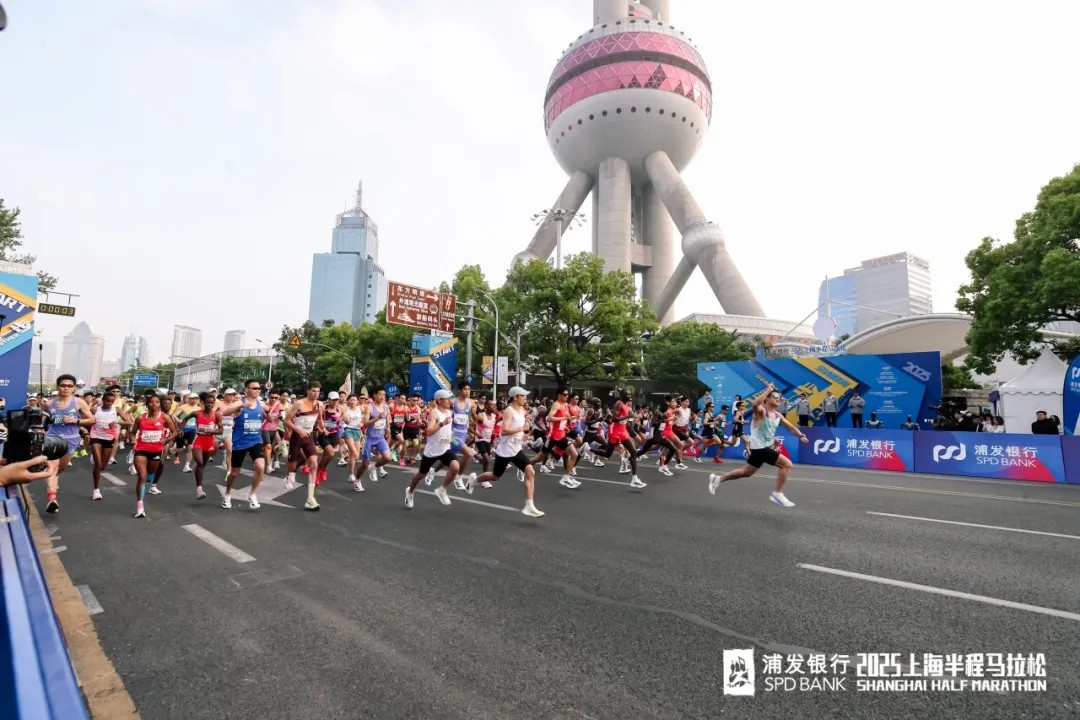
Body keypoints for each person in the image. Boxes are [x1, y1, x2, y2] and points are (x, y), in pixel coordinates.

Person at [708, 383, 809, 508]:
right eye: (775, 397)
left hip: (761, 448)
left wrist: (801, 435)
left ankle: (718, 479)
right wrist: (768, 389)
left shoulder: (778, 416)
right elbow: (755, 404)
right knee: (787, 465)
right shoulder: (761, 411)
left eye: (779, 397)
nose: (778, 399)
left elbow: (791, 427)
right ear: (767, 398)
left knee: (746, 472)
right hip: (760, 447)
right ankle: (777, 493)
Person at [466, 387, 544, 517]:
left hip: (516, 449)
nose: (525, 398)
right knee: (495, 476)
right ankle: (474, 480)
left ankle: (529, 505)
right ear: (515, 397)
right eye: (523, 396)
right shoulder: (509, 410)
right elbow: (504, 431)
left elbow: (516, 430)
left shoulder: (521, 411)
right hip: (505, 451)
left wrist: (523, 436)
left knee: (530, 472)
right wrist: (521, 428)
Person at [42, 374, 95, 514]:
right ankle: (52, 500)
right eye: (63, 385)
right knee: (52, 467)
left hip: (71, 439)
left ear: (74, 388)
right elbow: (44, 419)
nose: (66, 388)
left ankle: (54, 479)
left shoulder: (79, 403)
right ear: (58, 387)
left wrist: (75, 421)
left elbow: (92, 419)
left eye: (69, 386)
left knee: (60, 468)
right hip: (53, 438)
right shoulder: (49, 404)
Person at [406, 389, 462, 509]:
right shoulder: (434, 414)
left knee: (455, 467)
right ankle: (410, 492)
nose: (449, 401)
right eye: (447, 399)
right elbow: (429, 432)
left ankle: (442, 490)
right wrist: (442, 423)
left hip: (445, 448)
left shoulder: (449, 412)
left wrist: (454, 441)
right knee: (421, 474)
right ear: (439, 400)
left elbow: (448, 431)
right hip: (432, 451)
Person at [219, 379, 270, 510]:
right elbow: (224, 413)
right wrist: (239, 406)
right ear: (247, 389)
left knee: (260, 466)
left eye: (258, 388)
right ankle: (227, 494)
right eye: (254, 388)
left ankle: (252, 494)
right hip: (240, 442)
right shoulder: (239, 402)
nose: (257, 390)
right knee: (234, 473)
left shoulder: (261, 403)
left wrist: (268, 412)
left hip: (256, 440)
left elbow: (269, 419)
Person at [130, 394, 177, 518]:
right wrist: (133, 441)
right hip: (141, 449)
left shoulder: (164, 417)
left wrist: (166, 440)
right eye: (151, 402)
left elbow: (174, 432)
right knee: (142, 477)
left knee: (150, 473)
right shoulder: (140, 418)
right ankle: (140, 507)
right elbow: (133, 433)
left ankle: (150, 479)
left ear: (159, 404)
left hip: (156, 450)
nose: (154, 404)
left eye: (157, 402)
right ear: (147, 404)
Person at [285, 381, 324, 510]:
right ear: (308, 391)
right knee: (292, 462)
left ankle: (310, 499)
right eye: (313, 391)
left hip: (309, 436)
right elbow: (286, 420)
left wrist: (322, 427)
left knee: (314, 463)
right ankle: (290, 475)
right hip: (297, 436)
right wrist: (298, 430)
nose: (316, 393)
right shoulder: (299, 403)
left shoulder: (320, 404)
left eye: (318, 391)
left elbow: (319, 418)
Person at [88, 389, 132, 500]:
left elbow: (129, 422)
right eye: (107, 401)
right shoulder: (95, 409)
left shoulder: (116, 410)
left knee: (102, 466)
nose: (109, 403)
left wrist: (116, 422)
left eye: (112, 401)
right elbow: (87, 419)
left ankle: (97, 458)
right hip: (96, 436)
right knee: (98, 464)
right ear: (103, 400)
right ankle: (96, 490)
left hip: (108, 438)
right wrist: (91, 423)